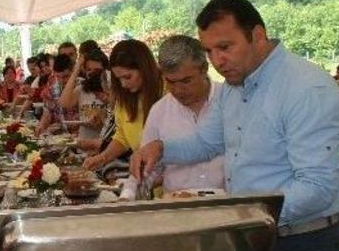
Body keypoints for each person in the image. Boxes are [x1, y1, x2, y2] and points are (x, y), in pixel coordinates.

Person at [131, 0, 339, 251]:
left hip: (302, 245)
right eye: (210, 51)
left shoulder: (307, 89)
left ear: (258, 36)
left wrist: (240, 212)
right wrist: (161, 147)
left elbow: (318, 187)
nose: (218, 61)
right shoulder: (235, 87)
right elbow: (207, 142)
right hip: (254, 241)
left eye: (225, 47)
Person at [119, 35, 224, 200]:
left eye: (186, 81)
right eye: (171, 82)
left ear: (204, 68)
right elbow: (148, 167)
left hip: (229, 207)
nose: (178, 90)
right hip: (178, 211)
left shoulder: (229, 99)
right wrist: (129, 193)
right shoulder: (159, 111)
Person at [83, 40, 163, 170]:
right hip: (147, 178)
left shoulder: (167, 92)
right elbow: (122, 137)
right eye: (119, 79)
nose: (123, 84)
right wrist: (102, 157)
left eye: (127, 77)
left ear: (144, 68)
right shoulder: (125, 98)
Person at [60, 47, 109, 144]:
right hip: (83, 145)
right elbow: (64, 103)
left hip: (105, 145)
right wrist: (76, 70)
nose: (92, 73)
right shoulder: (82, 88)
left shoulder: (112, 88)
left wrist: (102, 120)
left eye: (97, 70)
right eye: (89, 70)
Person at [35, 55, 78, 136]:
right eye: (58, 77)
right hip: (61, 137)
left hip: (80, 137)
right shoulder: (52, 88)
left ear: (73, 71)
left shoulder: (82, 87)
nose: (62, 81)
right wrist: (42, 125)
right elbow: (47, 112)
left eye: (66, 76)